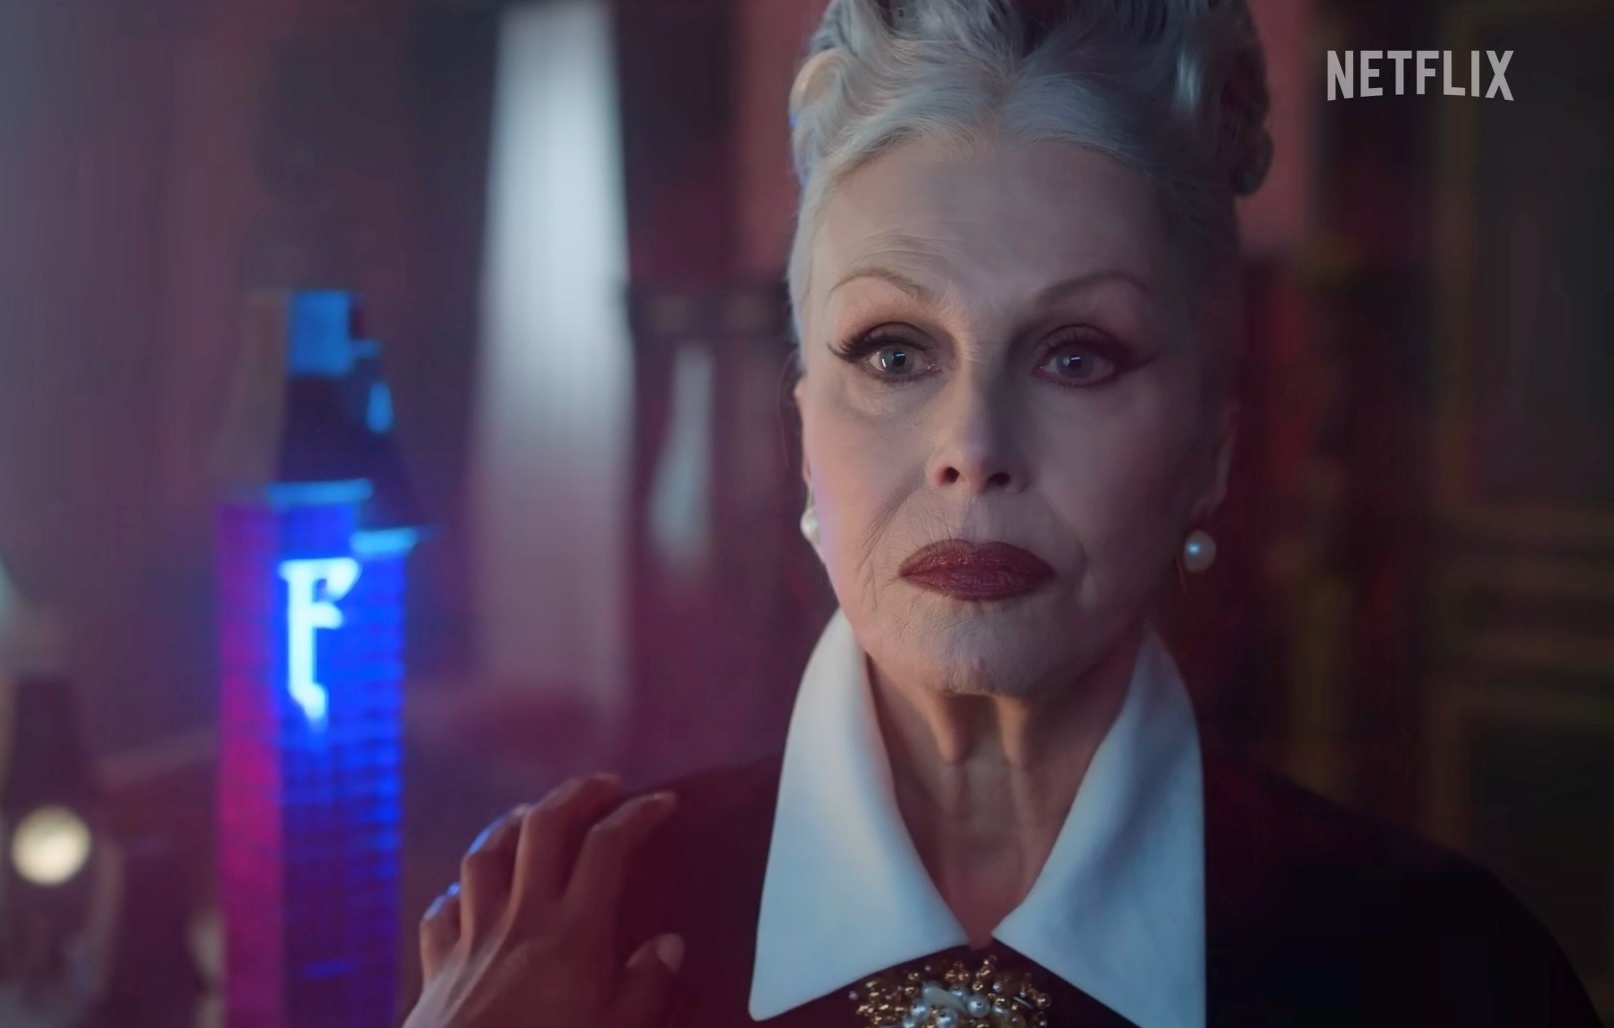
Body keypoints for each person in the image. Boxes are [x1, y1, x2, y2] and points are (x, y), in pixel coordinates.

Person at [405, 1, 1602, 1025]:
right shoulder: (584, 924)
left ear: (1211, 453)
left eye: (1077, 355)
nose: (974, 450)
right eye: (893, 352)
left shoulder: (1445, 969)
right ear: (804, 435)